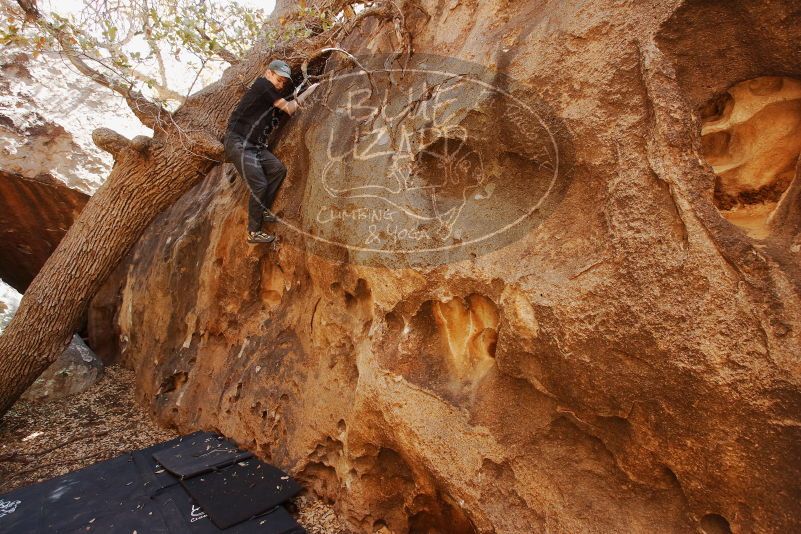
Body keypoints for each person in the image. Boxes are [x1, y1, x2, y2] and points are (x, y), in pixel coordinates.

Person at [224, 59, 319, 243]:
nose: (281, 83)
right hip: (238, 142)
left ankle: (262, 210)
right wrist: (311, 90)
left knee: (277, 169)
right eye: (279, 78)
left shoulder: (269, 96)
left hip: (254, 145)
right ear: (269, 73)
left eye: (284, 81)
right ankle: (253, 232)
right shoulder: (263, 85)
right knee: (259, 184)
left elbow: (286, 109)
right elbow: (290, 108)